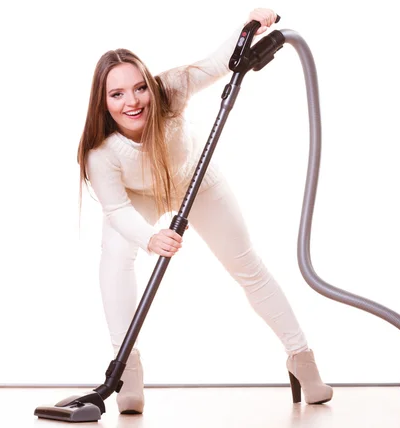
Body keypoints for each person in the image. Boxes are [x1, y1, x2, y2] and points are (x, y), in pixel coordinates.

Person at [77, 8, 333, 414]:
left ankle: (301, 358)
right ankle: (127, 369)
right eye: (117, 94)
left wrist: (250, 23)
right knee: (114, 256)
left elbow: (219, 63)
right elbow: (117, 210)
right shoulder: (100, 154)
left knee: (246, 266)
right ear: (103, 101)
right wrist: (149, 237)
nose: (133, 101)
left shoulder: (171, 88)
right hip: (140, 196)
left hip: (195, 177)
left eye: (139, 88)